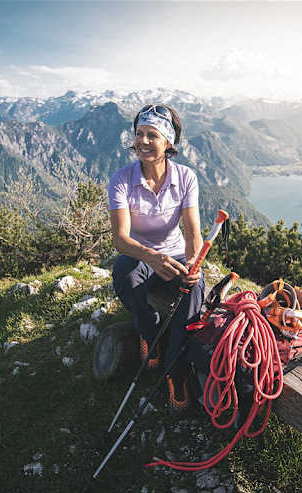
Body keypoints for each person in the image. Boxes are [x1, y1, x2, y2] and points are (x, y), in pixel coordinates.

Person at [108, 104, 205, 411]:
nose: (144, 142)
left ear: (168, 143)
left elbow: (192, 231)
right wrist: (151, 257)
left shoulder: (186, 177)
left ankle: (176, 374)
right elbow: (120, 239)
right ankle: (148, 331)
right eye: (139, 134)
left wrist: (193, 263)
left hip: (175, 253)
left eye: (152, 135)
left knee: (194, 293)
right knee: (124, 273)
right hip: (138, 254)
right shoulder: (121, 179)